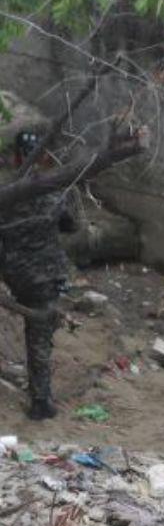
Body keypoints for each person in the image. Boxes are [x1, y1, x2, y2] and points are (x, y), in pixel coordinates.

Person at [0, 128, 75, 420]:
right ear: (44, 157)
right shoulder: (53, 193)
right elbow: (71, 226)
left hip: (18, 275)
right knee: (39, 333)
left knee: (39, 327)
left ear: (18, 156)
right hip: (49, 274)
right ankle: (41, 400)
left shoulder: (7, 195)